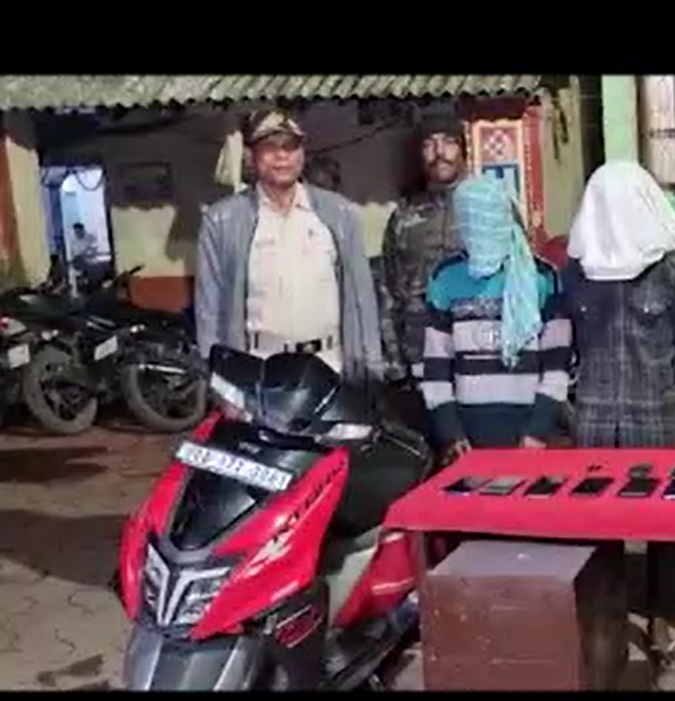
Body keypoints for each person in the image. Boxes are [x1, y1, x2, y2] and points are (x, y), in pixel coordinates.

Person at [562, 160, 675, 672]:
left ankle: (659, 623)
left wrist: (672, 384)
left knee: (661, 523)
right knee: (601, 524)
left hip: (654, 413)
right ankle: (610, 622)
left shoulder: (672, 269)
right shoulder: (577, 270)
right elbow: (569, 338)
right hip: (594, 418)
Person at [195, 108, 383, 382]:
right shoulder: (222, 220)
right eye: (270, 147)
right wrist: (221, 382)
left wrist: (371, 368)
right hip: (260, 370)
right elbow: (209, 309)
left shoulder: (339, 213)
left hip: (330, 365)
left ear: (302, 153)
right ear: (251, 155)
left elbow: (362, 297)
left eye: (290, 146)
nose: (282, 156)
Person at [420, 176, 571, 458]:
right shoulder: (446, 278)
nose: (480, 228)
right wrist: (451, 432)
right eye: (471, 220)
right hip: (468, 437)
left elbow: (557, 364)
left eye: (488, 218)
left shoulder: (541, 277)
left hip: (529, 436)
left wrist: (537, 430)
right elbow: (436, 366)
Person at [378, 116, 469, 436]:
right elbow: (388, 291)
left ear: (463, 149)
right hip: (422, 360)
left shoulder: (490, 207)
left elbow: (520, 282)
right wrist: (394, 363)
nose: (439, 152)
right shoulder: (404, 217)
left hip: (481, 360)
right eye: (430, 144)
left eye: (448, 142)